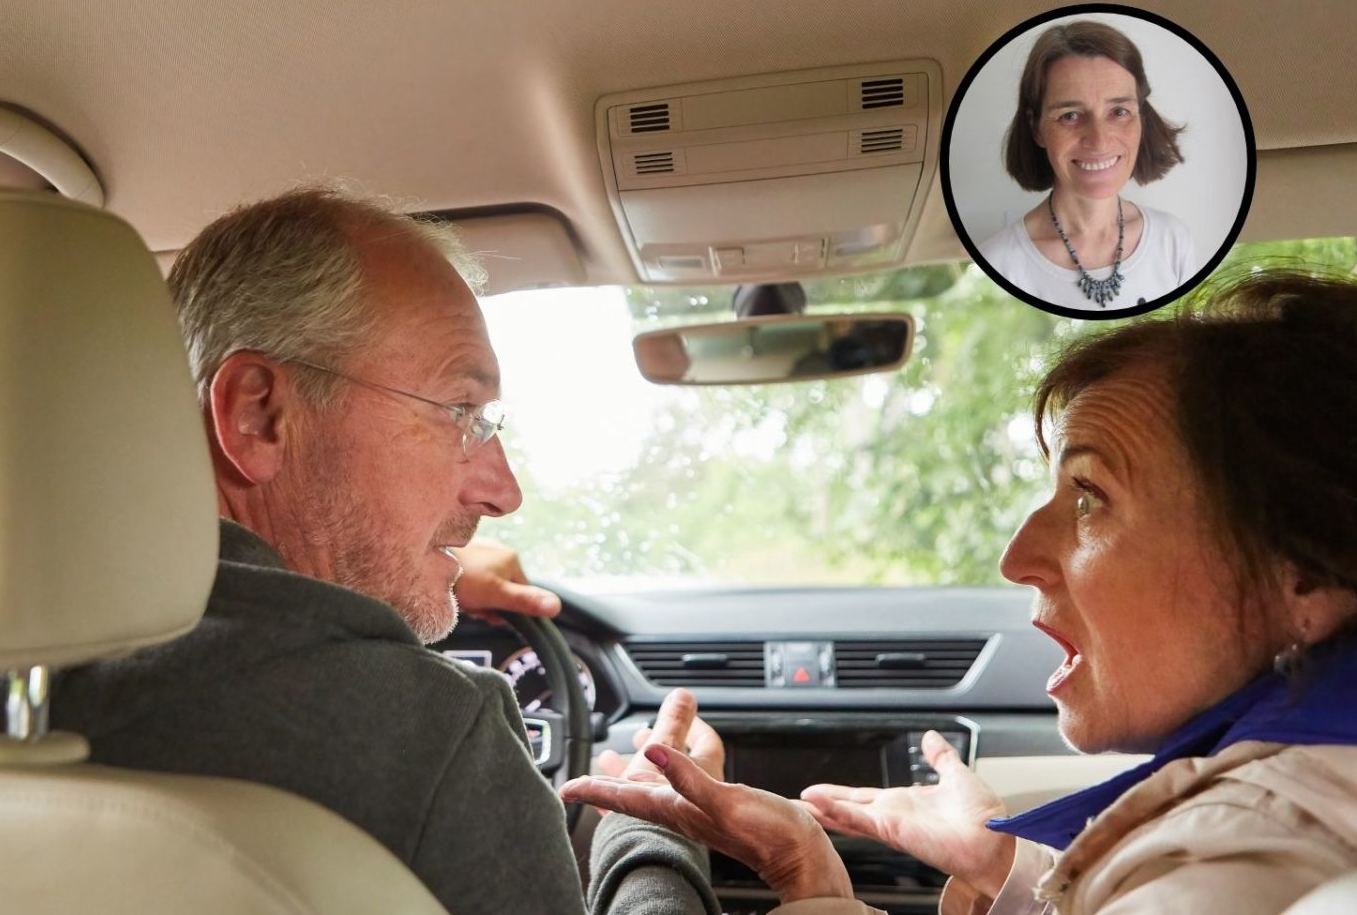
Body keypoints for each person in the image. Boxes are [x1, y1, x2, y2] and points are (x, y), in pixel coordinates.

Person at [0, 186, 719, 915]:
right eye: (461, 415)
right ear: (257, 413)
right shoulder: (425, 735)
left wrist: (361, 578)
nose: (500, 488)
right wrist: (656, 839)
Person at [563, 270, 1357, 913]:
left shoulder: (1240, 854)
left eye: (1088, 498)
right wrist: (1000, 862)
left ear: (1306, 571)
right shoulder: (1286, 812)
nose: (1017, 558)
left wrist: (670, 857)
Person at [975, 21, 1195, 312]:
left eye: (1119, 112)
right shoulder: (998, 263)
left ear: (1142, 118)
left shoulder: (1173, 240)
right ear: (1036, 128)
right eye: (1070, 116)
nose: (1099, 141)